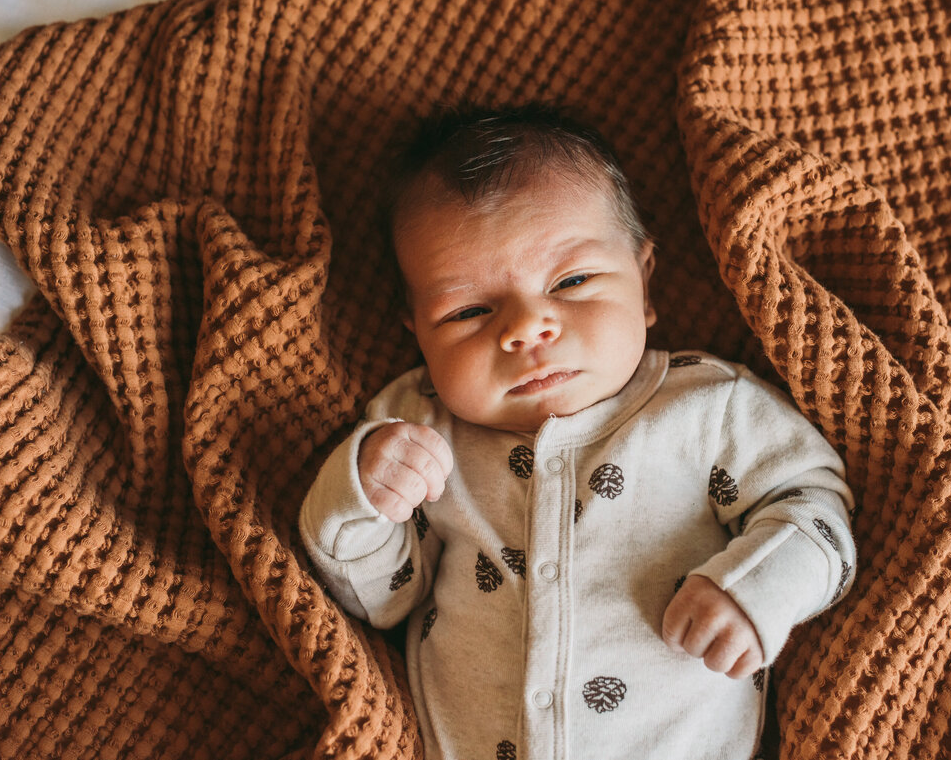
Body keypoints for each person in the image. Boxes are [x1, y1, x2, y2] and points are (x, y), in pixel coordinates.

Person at [299, 104, 856, 760]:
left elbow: (815, 505)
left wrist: (758, 585)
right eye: (469, 311)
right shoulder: (419, 427)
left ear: (644, 284)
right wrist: (358, 492)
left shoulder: (707, 407)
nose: (526, 328)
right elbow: (383, 600)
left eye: (571, 280)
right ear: (416, 332)